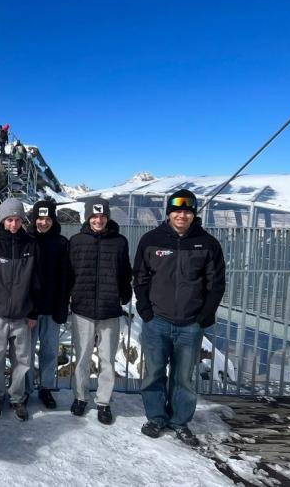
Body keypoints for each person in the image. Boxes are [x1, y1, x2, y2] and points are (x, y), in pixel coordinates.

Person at [134, 189, 226, 445]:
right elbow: (140, 277)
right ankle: (156, 417)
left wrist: (204, 317)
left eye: (187, 211)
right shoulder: (151, 240)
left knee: (183, 377)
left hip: (190, 323)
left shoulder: (208, 244)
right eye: (177, 211)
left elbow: (216, 283)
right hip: (157, 320)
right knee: (154, 373)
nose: (182, 215)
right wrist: (146, 312)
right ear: (169, 213)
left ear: (193, 214)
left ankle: (179, 421)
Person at [67, 198, 132, 424]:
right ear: (87, 218)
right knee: (83, 357)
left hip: (109, 309)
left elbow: (125, 272)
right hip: (83, 308)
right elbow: (69, 273)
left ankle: (103, 402)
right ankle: (81, 397)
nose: (98, 220)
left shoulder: (120, 242)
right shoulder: (76, 241)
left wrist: (125, 295)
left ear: (107, 217)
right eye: (94, 216)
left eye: (102, 216)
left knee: (107, 359)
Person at [0, 197, 41, 421]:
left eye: (17, 220)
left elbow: (37, 281)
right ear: (3, 220)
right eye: (9, 220)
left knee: (22, 361)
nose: (13, 224)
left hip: (23, 316)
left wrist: (34, 312)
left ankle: (17, 398)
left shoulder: (31, 245)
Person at [25, 200, 70, 410]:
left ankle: (46, 388)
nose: (43, 223)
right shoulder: (26, 241)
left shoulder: (61, 243)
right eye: (40, 219)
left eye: (47, 219)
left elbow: (66, 278)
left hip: (52, 308)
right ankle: (25, 389)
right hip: (29, 311)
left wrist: (62, 305)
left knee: (50, 351)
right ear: (34, 220)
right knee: (25, 352)